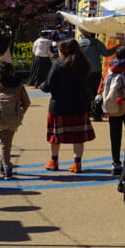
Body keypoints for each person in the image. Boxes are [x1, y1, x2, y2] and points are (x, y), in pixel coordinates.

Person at [41, 38, 96, 173]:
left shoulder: (58, 65)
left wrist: (42, 86)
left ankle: (54, 161)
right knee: (78, 136)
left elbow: (48, 86)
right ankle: (77, 163)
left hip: (59, 105)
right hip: (79, 104)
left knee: (55, 136)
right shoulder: (84, 64)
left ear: (63, 50)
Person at [98, 45, 125, 175]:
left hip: (112, 109)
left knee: (115, 137)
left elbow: (100, 90)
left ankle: (115, 164)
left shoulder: (109, 71)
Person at [0, 62, 31, 179]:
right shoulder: (18, 86)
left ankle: (6, 167)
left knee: (4, 143)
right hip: (14, 118)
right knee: (6, 142)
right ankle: (3, 162)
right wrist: (20, 114)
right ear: (11, 72)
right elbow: (27, 102)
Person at [78, 31, 110, 112]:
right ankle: (97, 112)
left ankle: (86, 111)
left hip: (83, 71)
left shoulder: (78, 44)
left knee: (84, 92)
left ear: (82, 34)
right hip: (96, 71)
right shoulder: (96, 43)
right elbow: (106, 53)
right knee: (97, 92)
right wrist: (117, 48)